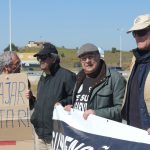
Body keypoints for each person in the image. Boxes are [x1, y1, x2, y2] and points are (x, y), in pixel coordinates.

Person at [26, 43, 76, 150]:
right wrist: (31, 98)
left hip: (57, 136)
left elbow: (75, 99)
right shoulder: (43, 77)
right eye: (39, 58)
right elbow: (40, 103)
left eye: (43, 57)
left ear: (53, 58)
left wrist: (62, 103)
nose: (40, 60)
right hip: (40, 135)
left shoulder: (67, 76)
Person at [65, 43, 126, 121]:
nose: (87, 61)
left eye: (90, 57)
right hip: (81, 129)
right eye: (83, 58)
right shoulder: (79, 78)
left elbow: (122, 109)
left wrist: (97, 114)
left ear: (98, 56)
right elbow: (82, 103)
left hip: (101, 131)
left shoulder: (115, 78)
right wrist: (73, 108)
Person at [121, 14, 150, 133]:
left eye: (142, 32)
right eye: (135, 33)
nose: (137, 37)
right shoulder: (136, 58)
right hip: (132, 129)